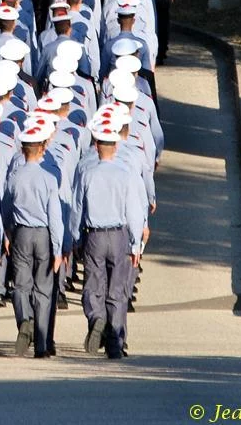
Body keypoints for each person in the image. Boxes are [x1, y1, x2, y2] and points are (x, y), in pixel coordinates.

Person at [66, 120, 147, 360]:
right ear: (116, 146)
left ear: (98, 144)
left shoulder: (87, 172)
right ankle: (116, 341)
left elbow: (77, 207)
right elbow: (134, 211)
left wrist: (75, 237)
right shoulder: (125, 174)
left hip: (94, 235)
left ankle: (96, 317)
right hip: (120, 234)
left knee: (93, 285)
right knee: (118, 291)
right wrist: (136, 244)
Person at [1, 126, 63, 358]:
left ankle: (24, 319)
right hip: (44, 234)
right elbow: (55, 217)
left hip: (22, 233)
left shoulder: (15, 177)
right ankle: (41, 342)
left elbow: (5, 209)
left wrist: (7, 233)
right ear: (42, 149)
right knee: (44, 290)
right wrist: (57, 249)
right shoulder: (48, 178)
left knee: (20, 285)